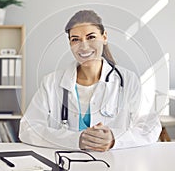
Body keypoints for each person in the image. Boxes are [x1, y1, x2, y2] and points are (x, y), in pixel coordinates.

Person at [19, 10, 161, 152]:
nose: (84, 46)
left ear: (104, 37)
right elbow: (28, 129)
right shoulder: (51, 83)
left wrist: (115, 139)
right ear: (70, 43)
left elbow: (150, 128)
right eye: (75, 39)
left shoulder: (128, 81)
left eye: (91, 37)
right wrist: (74, 140)